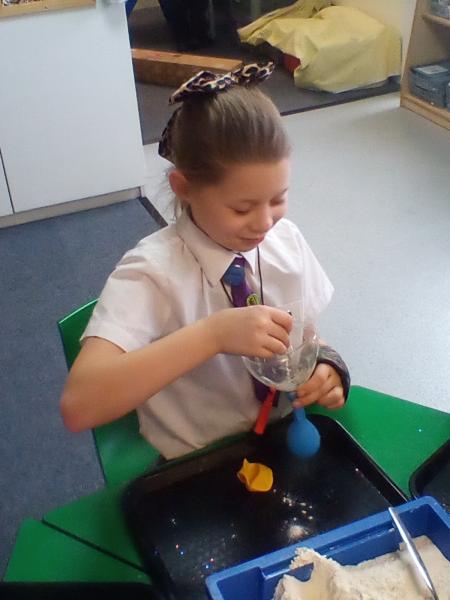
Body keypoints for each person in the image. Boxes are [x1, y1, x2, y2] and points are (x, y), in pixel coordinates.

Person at [60, 63, 350, 460]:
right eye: (242, 208)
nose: (265, 222)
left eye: (278, 198)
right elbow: (79, 406)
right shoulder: (151, 274)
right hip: (200, 462)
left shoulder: (285, 241)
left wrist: (327, 367)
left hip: (281, 439)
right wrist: (211, 336)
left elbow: (305, 337)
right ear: (184, 187)